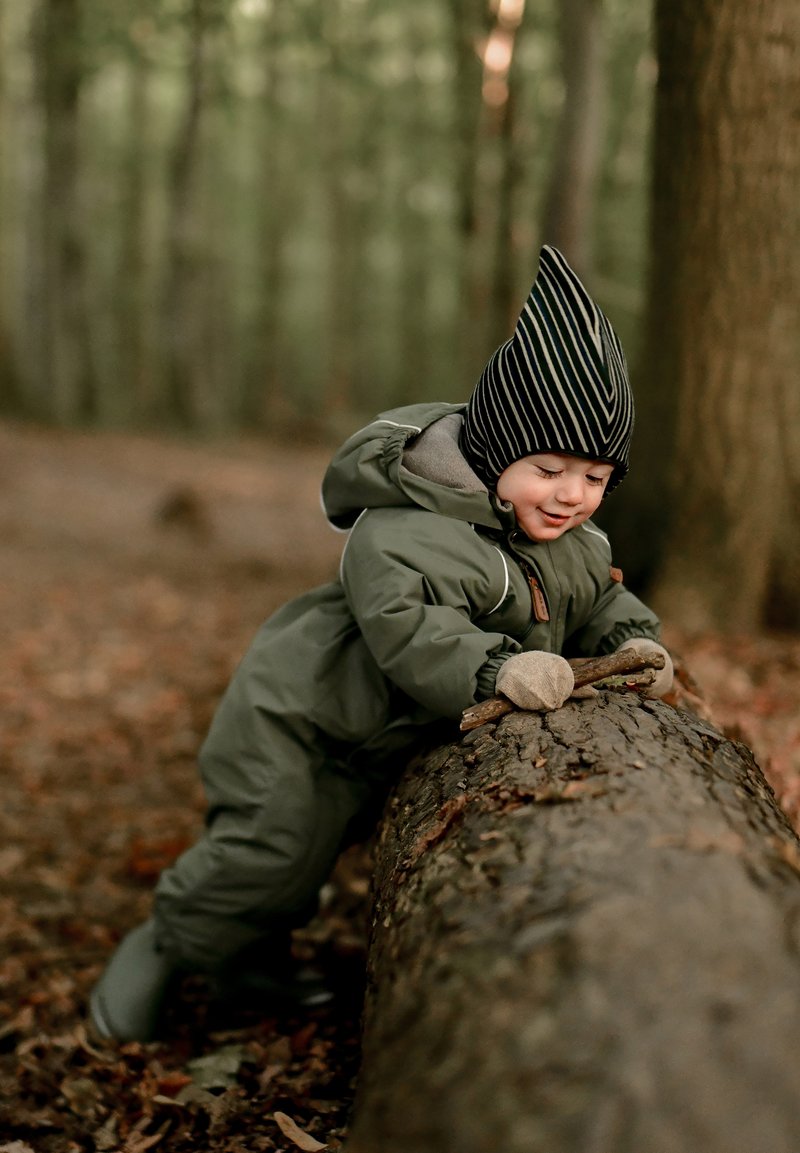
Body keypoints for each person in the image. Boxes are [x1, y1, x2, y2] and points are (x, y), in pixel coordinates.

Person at [89, 245, 672, 1042]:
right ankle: (167, 941)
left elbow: (598, 590)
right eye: (550, 468)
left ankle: (245, 956)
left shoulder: (570, 536)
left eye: (597, 477)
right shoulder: (400, 533)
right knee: (268, 853)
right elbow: (411, 634)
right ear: (498, 451)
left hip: (379, 736)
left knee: (302, 868)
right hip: (305, 721)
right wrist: (496, 669)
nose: (573, 495)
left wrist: (634, 640)